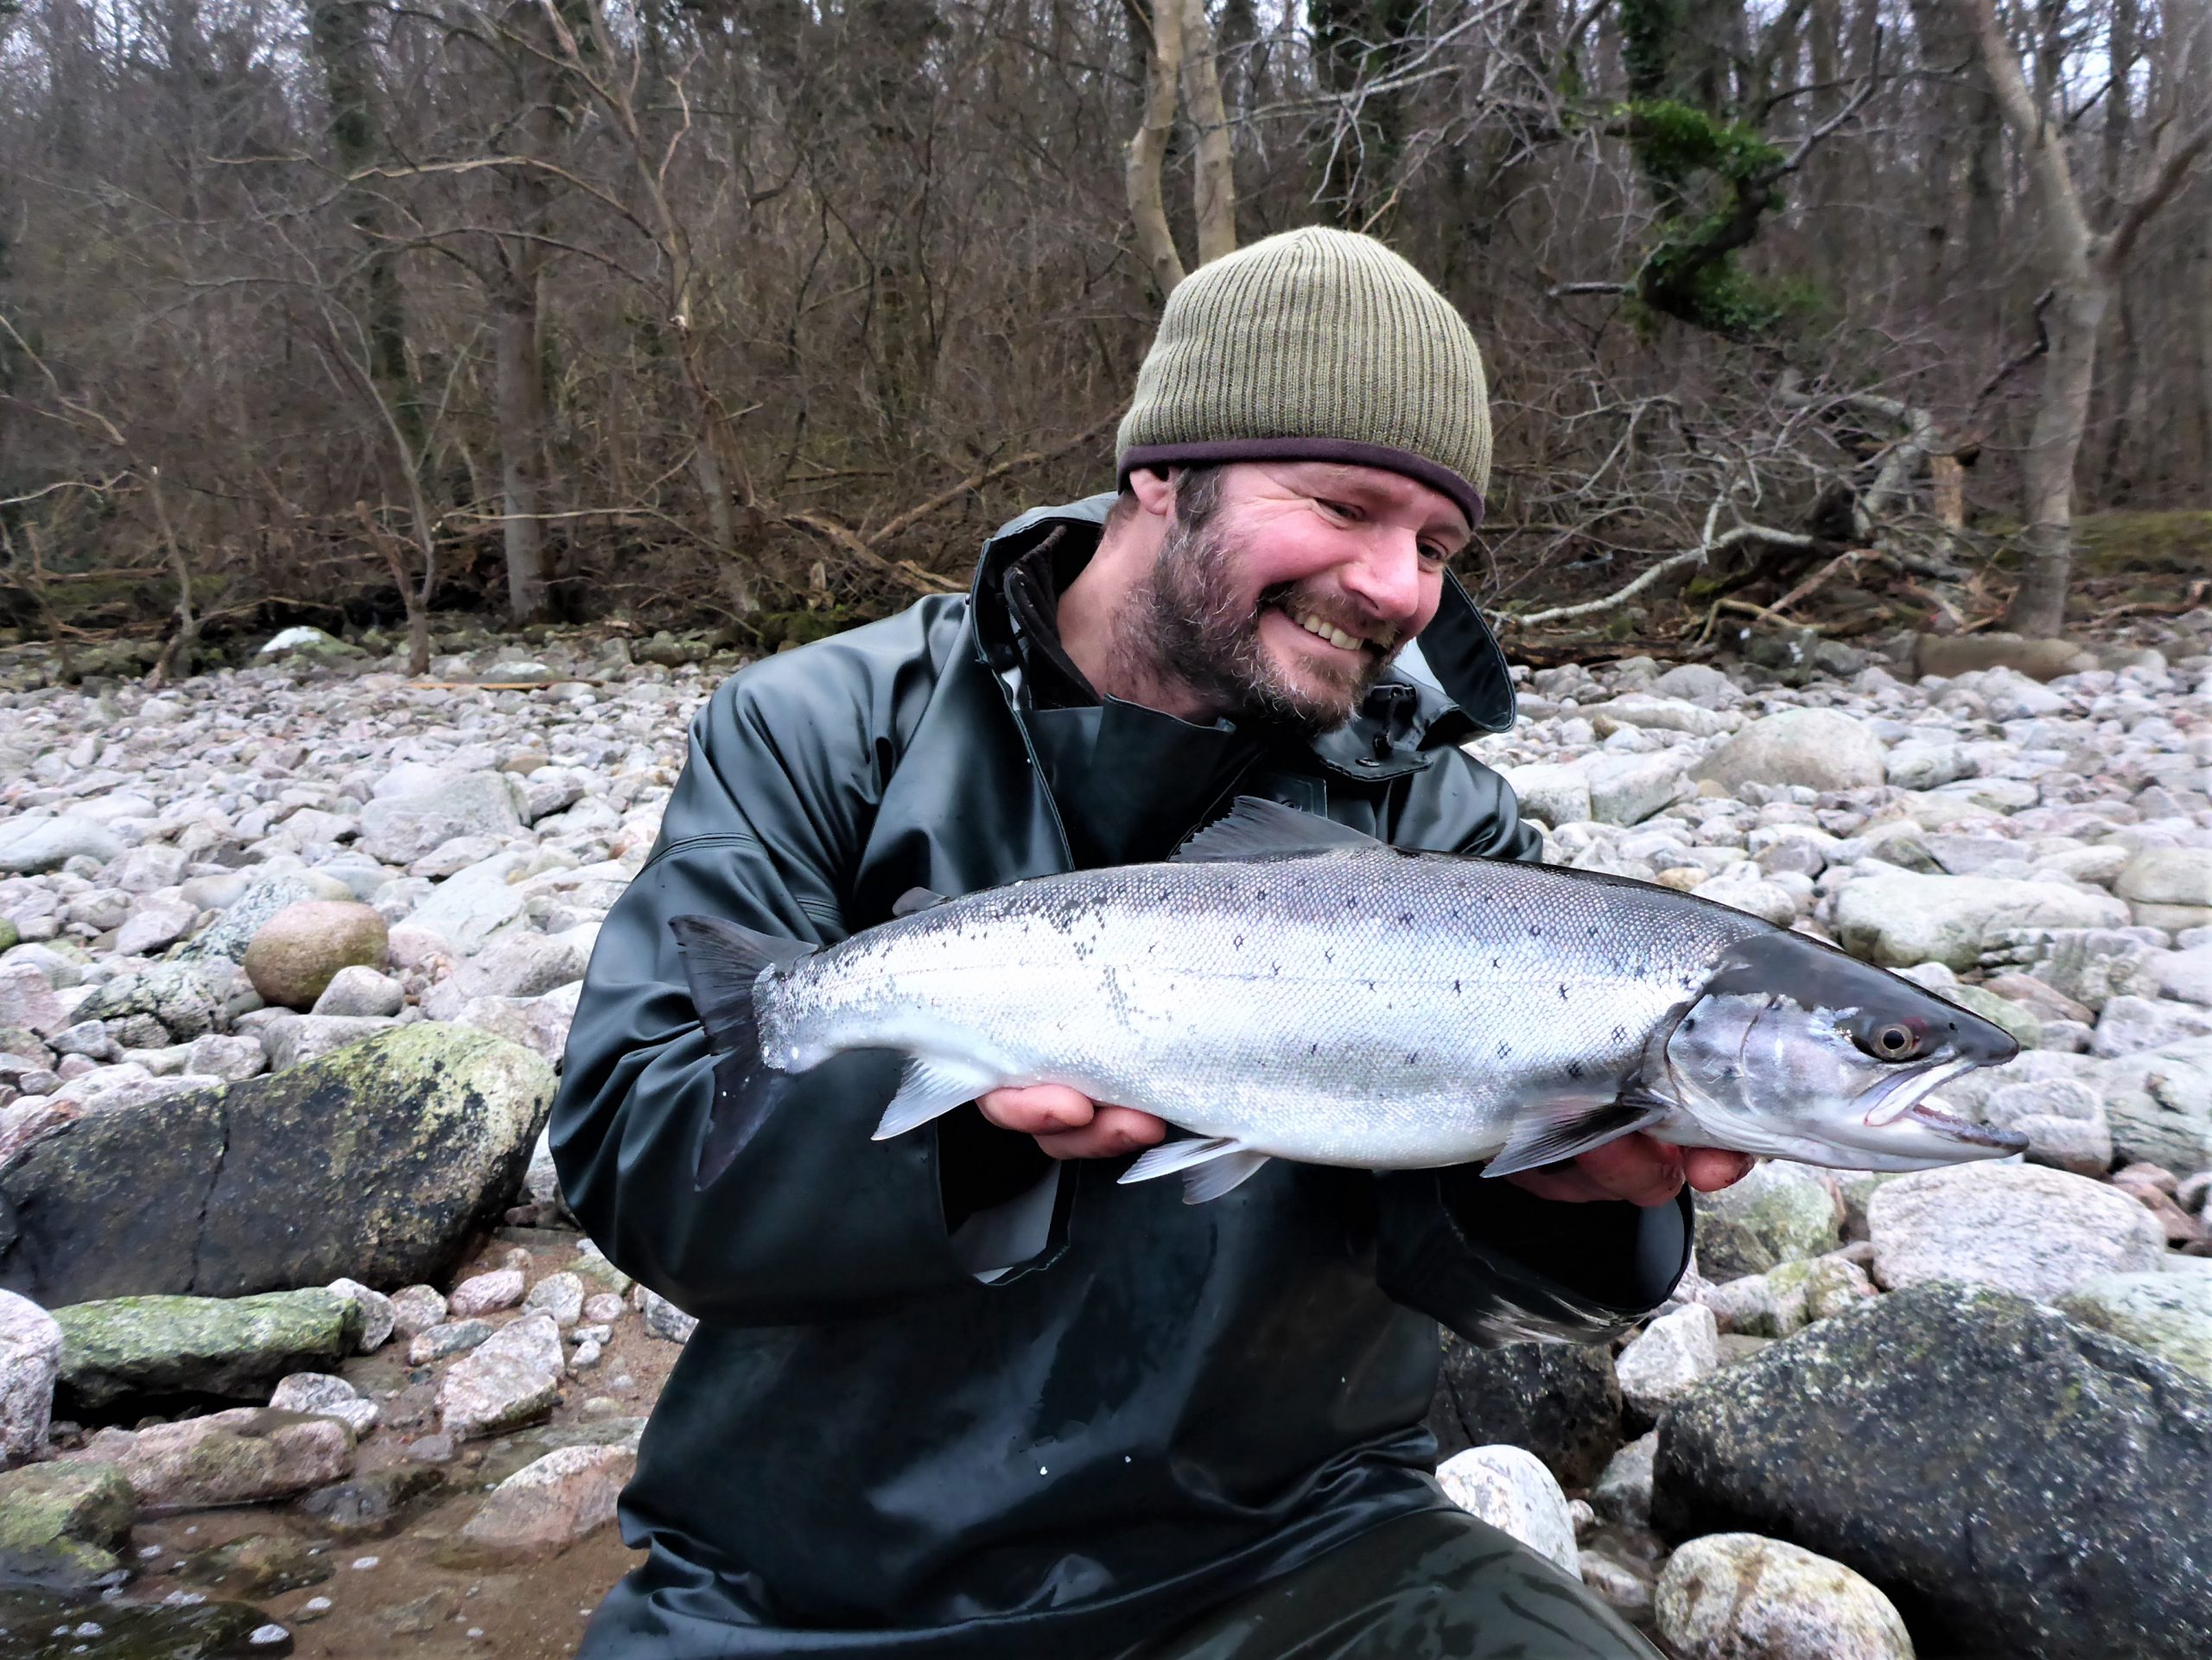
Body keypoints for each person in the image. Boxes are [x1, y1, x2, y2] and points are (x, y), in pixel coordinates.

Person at [550, 226, 1752, 1660]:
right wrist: (966, 1139)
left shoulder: (1441, 821)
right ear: (1160, 472)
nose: (1397, 587)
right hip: (812, 1578)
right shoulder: (819, 730)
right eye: (1342, 504)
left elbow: (1460, 1274)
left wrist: (1581, 1196)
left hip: (1295, 1549)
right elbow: (641, 1158)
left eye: (1437, 544)